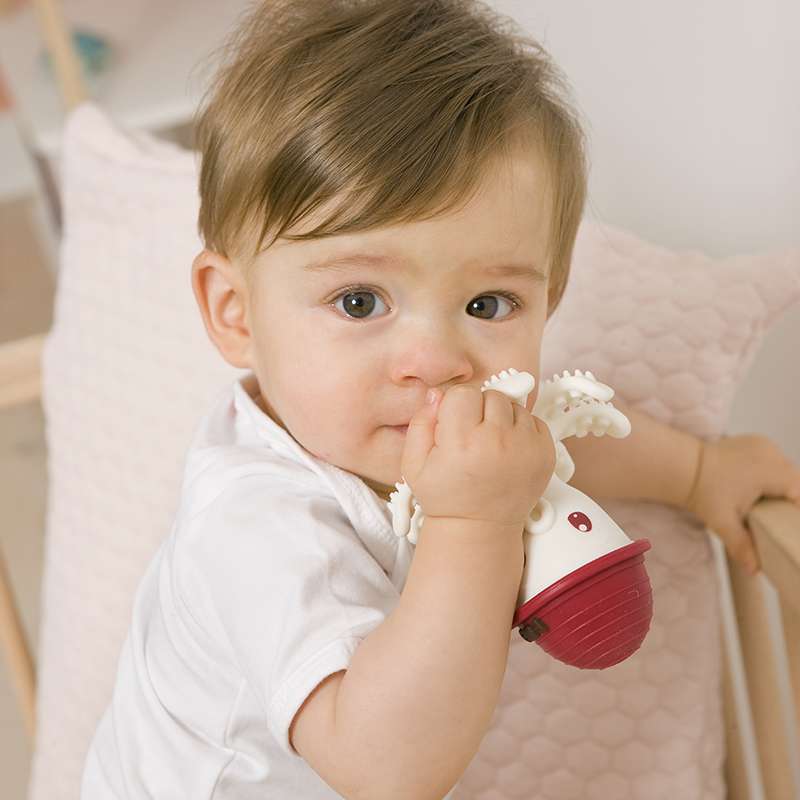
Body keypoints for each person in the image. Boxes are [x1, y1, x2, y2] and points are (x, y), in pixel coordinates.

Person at [81, 1, 800, 798]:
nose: (435, 362)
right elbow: (387, 769)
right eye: (359, 302)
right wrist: (473, 523)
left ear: (549, 299)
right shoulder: (258, 527)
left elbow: (549, 447)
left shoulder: (407, 422)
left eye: (489, 305)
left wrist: (699, 473)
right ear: (235, 312)